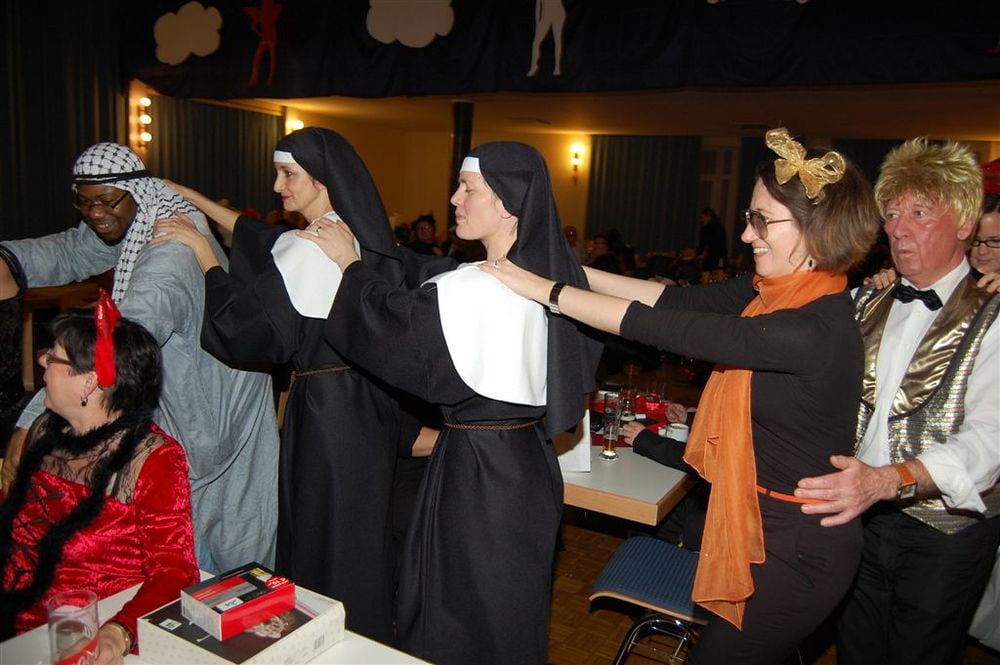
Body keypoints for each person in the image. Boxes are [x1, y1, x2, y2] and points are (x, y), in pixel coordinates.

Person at [487, 128, 881, 664]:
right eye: (748, 217)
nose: (746, 234)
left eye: (762, 220)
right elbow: (674, 302)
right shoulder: (777, 293)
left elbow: (665, 329)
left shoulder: (810, 327)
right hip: (759, 525)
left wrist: (542, 291)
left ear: (817, 229)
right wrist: (565, 271)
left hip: (796, 549)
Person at [300, 141, 602, 664]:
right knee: (504, 613)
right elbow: (429, 279)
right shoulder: (549, 277)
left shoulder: (480, 289)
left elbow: (390, 326)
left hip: (479, 475)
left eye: (469, 188)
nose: (454, 198)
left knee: (459, 613)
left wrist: (350, 265)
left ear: (508, 201)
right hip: (527, 464)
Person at [151, 127, 433, 643]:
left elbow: (244, 330)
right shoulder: (348, 233)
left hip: (330, 416)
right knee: (357, 532)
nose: (277, 186)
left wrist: (202, 252)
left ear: (322, 180)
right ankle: (365, 636)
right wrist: (196, 200)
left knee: (326, 533)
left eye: (289, 175)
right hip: (366, 406)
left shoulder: (313, 247)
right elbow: (262, 239)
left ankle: (332, 639)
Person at [0, 143, 278, 574]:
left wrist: (34, 419)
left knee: (221, 551)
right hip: (187, 404)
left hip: (215, 412)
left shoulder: (168, 256)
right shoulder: (135, 221)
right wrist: (8, 259)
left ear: (138, 192)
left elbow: (119, 342)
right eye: (84, 202)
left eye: (106, 201)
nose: (95, 213)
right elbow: (74, 250)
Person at [796, 138, 1000, 665]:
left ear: (964, 224)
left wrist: (889, 480)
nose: (898, 228)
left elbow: (989, 441)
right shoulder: (866, 298)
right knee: (856, 649)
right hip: (860, 517)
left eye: (919, 213)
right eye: (891, 214)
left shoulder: (993, 313)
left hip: (945, 531)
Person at [0, 297, 199, 662]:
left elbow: (175, 573)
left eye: (54, 356)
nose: (42, 360)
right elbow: (17, 518)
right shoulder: (45, 430)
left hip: (79, 634)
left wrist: (117, 633)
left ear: (88, 382)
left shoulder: (153, 460)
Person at [867, 189, 1000, 294]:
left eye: (994, 241)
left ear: (964, 228)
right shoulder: (888, 286)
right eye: (976, 241)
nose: (982, 251)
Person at [696, 206, 727, 272]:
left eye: (702, 218)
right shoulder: (720, 228)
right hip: (720, 258)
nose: (701, 220)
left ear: (708, 217)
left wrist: (698, 254)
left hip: (709, 259)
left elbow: (702, 245)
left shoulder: (705, 229)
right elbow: (723, 246)